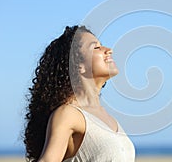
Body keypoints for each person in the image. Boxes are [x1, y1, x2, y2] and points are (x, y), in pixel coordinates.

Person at [24, 25, 135, 162]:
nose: (109, 50)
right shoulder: (68, 114)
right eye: (96, 48)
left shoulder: (108, 118)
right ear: (78, 65)